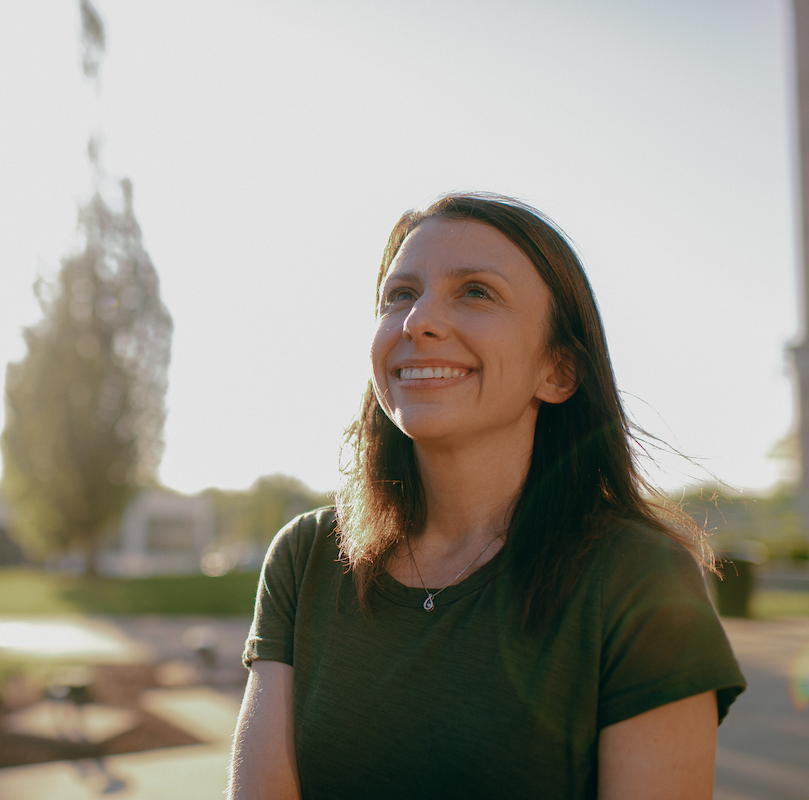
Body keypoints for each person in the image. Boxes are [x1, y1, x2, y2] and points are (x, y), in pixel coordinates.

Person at [228, 193, 746, 800]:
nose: (417, 319)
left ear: (557, 372)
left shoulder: (639, 579)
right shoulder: (306, 556)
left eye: (475, 291)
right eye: (399, 294)